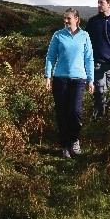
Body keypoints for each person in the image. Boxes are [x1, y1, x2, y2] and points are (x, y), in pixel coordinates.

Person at [45, 8, 94, 158]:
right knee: (62, 113)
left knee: (75, 112)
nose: (66, 21)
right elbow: (50, 56)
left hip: (79, 79)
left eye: (69, 19)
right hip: (60, 79)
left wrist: (91, 79)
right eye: (64, 19)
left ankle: (74, 140)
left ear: (77, 19)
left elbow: (89, 59)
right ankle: (65, 145)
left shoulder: (85, 36)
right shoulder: (58, 35)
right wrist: (48, 75)